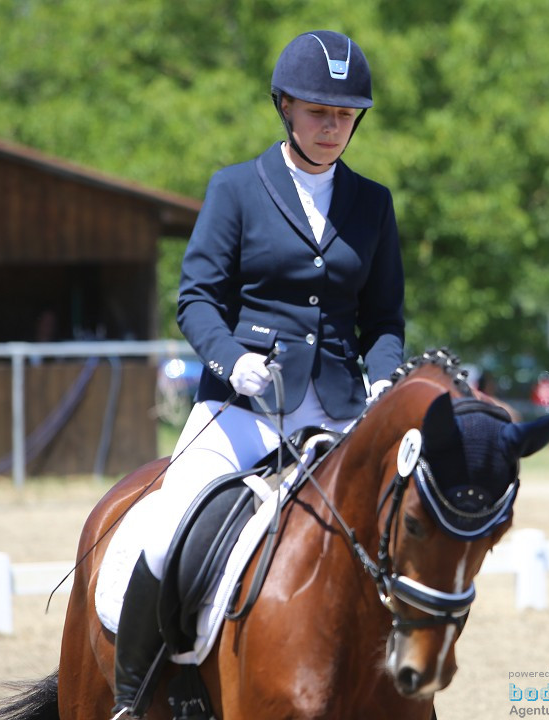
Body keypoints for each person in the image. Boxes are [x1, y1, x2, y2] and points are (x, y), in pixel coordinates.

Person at [109, 30, 405, 719]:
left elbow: (384, 318)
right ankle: (135, 696)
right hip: (242, 405)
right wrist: (232, 360)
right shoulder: (237, 188)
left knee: (399, 532)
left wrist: (385, 382)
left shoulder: (373, 203)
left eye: (344, 115)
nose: (332, 127)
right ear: (285, 107)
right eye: (317, 112)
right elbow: (196, 297)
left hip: (336, 406)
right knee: (168, 523)